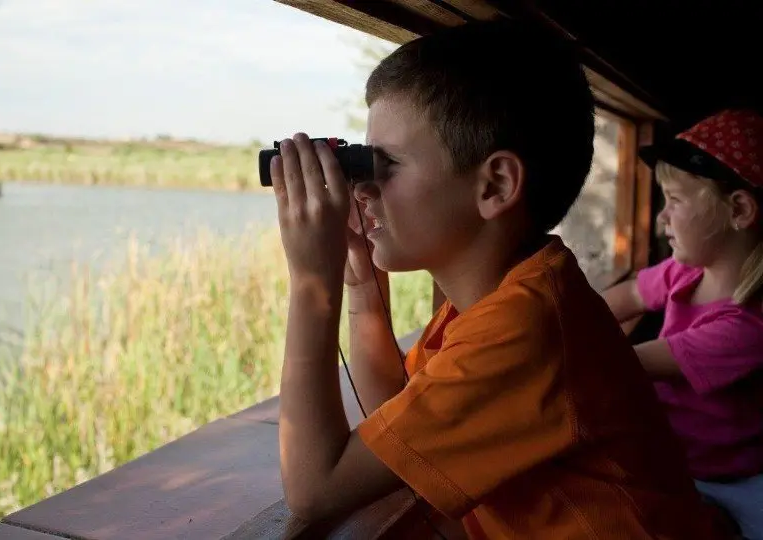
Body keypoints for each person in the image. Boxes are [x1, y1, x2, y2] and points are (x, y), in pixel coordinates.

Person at [267, 18, 723, 539]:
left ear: (496, 185)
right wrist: (360, 287)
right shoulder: (508, 296)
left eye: (384, 164)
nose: (362, 188)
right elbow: (394, 419)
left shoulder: (526, 327)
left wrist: (311, 280)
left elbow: (314, 489)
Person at [602, 108, 763, 539]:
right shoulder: (685, 271)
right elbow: (627, 296)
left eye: (674, 201)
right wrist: (558, 317)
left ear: (740, 210)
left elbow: (625, 363)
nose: (660, 218)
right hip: (673, 457)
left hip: (736, 481)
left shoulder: (748, 325)